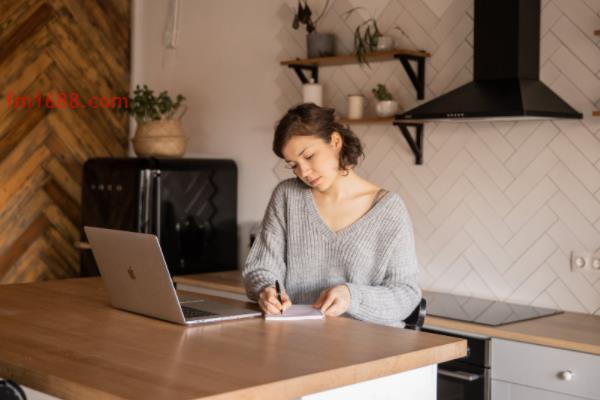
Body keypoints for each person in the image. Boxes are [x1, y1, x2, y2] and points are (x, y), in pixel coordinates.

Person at [242, 103, 421, 327]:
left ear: (335, 142)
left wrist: (351, 297)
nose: (303, 172)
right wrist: (266, 290)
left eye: (308, 156)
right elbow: (260, 267)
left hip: (370, 347)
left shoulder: (389, 210)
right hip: (297, 342)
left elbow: (406, 295)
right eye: (293, 165)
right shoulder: (287, 196)